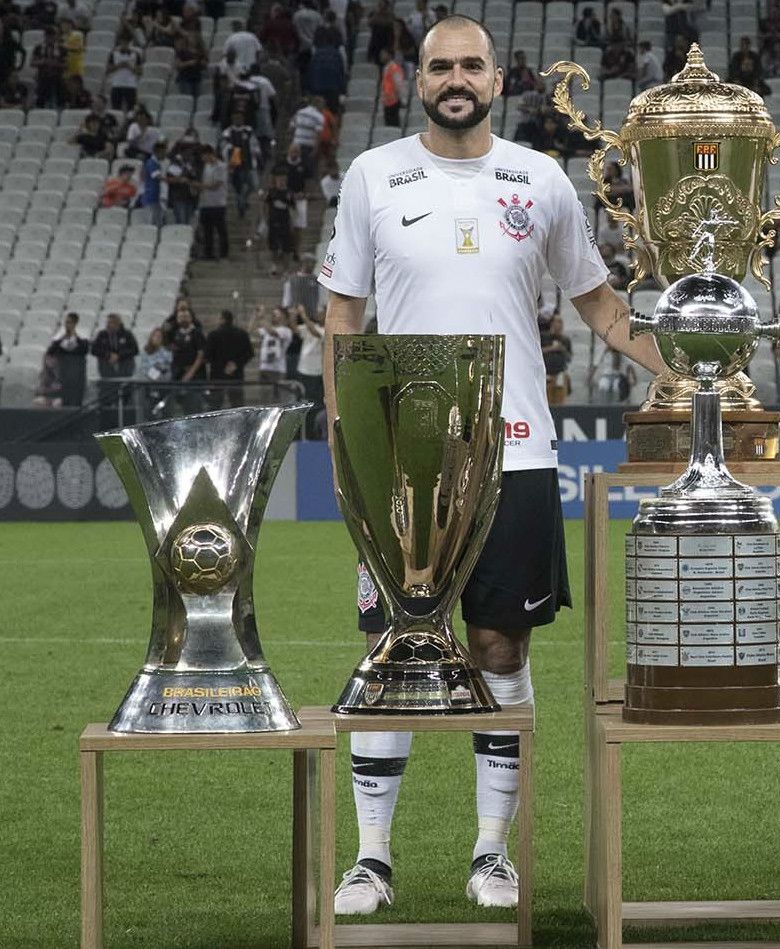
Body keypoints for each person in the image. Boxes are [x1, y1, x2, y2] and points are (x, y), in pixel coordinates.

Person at [318, 13, 666, 916]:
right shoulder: (373, 175)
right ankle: (372, 858)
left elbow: (598, 304)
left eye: (471, 64)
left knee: (498, 645)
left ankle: (489, 851)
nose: (456, 78)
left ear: (497, 79)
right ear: (418, 80)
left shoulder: (541, 179)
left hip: (515, 451)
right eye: (441, 67)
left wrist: (695, 365)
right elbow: (343, 317)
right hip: (402, 460)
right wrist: (345, 434)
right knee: (392, 646)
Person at [206, 309, 254, 404]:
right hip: (236, 374)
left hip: (217, 375)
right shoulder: (242, 334)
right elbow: (249, 353)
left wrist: (222, 366)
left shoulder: (213, 335)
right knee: (237, 404)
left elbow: (208, 355)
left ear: (222, 319)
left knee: (215, 405)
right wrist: (235, 364)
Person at [47, 313, 91, 407]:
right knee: (65, 397)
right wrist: (63, 337)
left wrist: (75, 336)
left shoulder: (82, 335)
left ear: (75, 323)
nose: (67, 325)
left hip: (77, 372)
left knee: (76, 398)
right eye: (66, 322)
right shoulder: (60, 336)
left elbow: (84, 349)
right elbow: (51, 351)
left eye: (69, 322)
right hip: (64, 371)